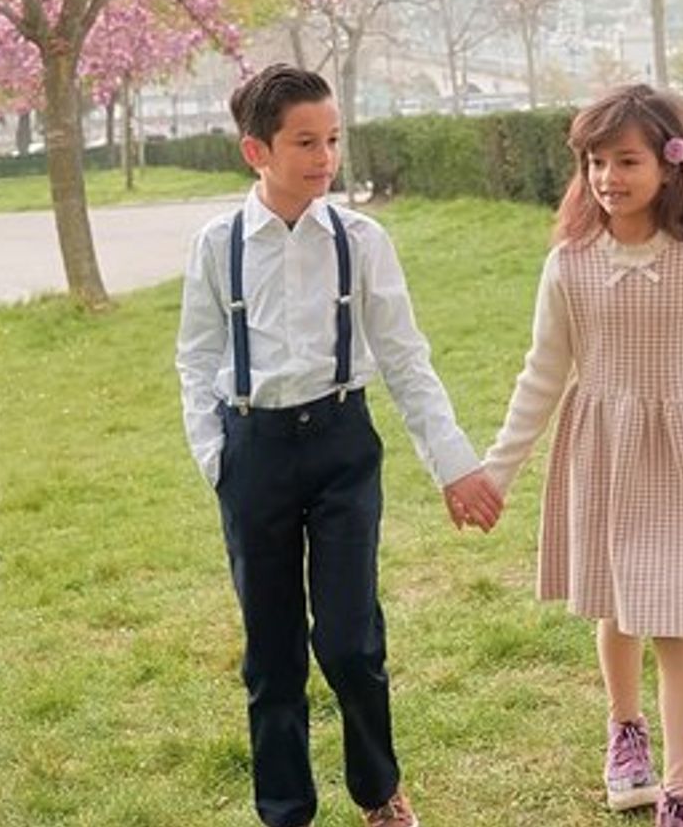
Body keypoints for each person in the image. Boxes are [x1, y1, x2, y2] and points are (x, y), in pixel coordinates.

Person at [176, 64, 503, 827]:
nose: (325, 158)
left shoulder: (361, 241)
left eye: (332, 140)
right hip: (253, 454)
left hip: (341, 449)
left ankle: (378, 791)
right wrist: (214, 456)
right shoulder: (219, 245)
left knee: (352, 640)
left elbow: (405, 358)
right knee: (273, 653)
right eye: (305, 143)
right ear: (256, 152)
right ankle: (285, 809)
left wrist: (454, 464)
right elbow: (196, 355)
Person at [480, 84, 683, 827]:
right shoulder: (569, 265)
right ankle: (625, 733)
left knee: (676, 621)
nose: (608, 178)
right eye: (594, 163)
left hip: (680, 458)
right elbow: (543, 373)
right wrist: (499, 469)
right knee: (616, 606)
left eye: (626, 160)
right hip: (601, 453)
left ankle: (681, 793)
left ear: (670, 163)